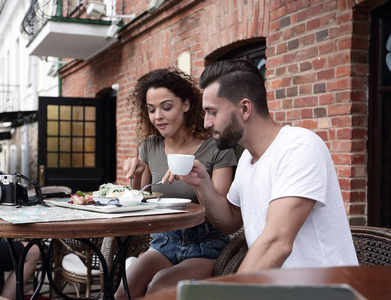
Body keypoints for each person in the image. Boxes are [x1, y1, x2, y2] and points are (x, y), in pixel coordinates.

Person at [165, 59, 358, 274]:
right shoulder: (248, 158)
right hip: (274, 288)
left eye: (213, 112)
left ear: (245, 108)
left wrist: (231, 293)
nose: (206, 123)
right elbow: (229, 221)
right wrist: (201, 183)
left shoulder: (299, 148)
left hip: (324, 289)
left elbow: (276, 243)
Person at [116, 68, 237, 299]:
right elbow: (142, 204)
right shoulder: (149, 146)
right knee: (123, 292)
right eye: (151, 110)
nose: (157, 116)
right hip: (164, 241)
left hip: (205, 245)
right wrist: (136, 176)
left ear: (186, 105)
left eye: (166, 107)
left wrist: (197, 181)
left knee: (158, 288)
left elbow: (222, 212)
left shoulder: (216, 148)